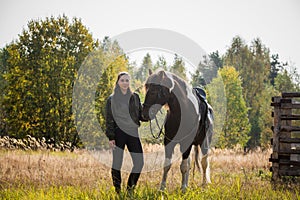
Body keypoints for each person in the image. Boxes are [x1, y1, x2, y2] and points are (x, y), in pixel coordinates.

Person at [105, 71, 144, 194]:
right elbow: (109, 119)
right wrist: (111, 137)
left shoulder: (135, 97)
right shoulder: (112, 99)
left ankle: (130, 189)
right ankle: (118, 191)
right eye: (122, 80)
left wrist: (151, 112)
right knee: (117, 164)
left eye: (127, 80)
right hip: (118, 133)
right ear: (118, 82)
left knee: (139, 162)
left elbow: (141, 114)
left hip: (133, 133)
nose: (125, 83)